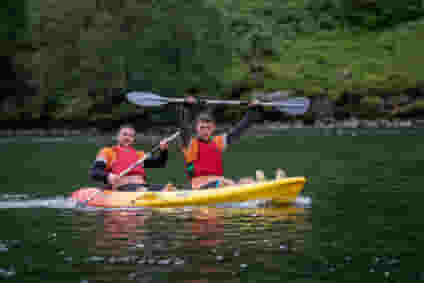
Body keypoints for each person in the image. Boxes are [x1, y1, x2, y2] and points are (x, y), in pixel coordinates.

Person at [178, 96, 263, 189]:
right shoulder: (190, 143)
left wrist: (253, 111)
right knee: (225, 183)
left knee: (247, 181)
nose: (205, 131)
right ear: (196, 128)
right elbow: (183, 127)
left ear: (213, 128)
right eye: (202, 127)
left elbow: (239, 130)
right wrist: (185, 108)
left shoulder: (218, 142)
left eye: (208, 128)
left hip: (219, 181)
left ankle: (261, 189)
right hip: (198, 185)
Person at [90, 124, 173, 192]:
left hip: (142, 185)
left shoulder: (139, 155)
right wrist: (108, 176)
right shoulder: (107, 152)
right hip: (122, 187)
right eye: (124, 134)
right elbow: (95, 172)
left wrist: (163, 150)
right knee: (142, 190)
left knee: (170, 189)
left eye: (131, 136)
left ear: (133, 139)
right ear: (118, 136)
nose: (127, 138)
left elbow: (160, 163)